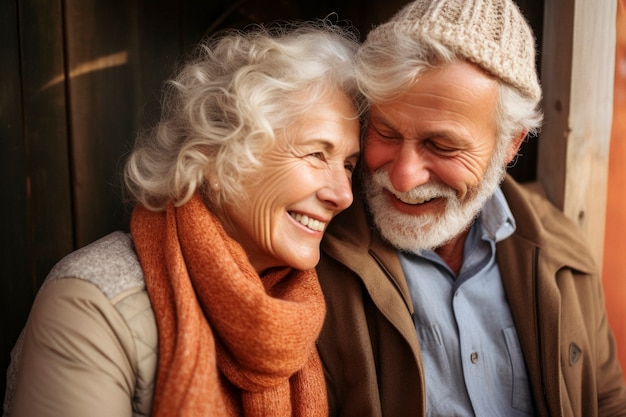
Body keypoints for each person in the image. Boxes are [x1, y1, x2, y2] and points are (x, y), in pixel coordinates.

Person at [4, 20, 364, 417]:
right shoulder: (92, 304)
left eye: (348, 165)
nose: (342, 195)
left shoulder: (311, 305)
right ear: (216, 155)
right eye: (316, 154)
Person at [315, 0, 626, 416]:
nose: (404, 177)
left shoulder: (564, 251)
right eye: (385, 133)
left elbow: (606, 401)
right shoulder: (315, 255)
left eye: (441, 146)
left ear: (510, 144)